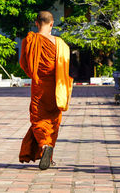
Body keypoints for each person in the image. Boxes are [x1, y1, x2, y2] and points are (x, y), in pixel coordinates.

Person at [19, 11, 73, 170]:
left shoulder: (29, 40)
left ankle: (44, 146)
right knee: (53, 121)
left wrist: (35, 75)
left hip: (39, 86)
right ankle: (49, 154)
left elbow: (24, 63)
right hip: (56, 88)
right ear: (52, 24)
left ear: (36, 23)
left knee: (38, 119)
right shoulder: (60, 44)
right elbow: (65, 66)